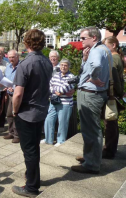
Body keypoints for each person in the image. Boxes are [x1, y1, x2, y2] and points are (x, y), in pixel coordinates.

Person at [11, 29, 52, 197]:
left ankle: (31, 188)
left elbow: (18, 93)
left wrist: (14, 111)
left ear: (26, 43)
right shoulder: (47, 61)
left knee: (29, 151)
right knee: (34, 148)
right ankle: (33, 178)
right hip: (41, 110)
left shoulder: (25, 64)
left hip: (27, 113)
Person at [71, 27, 112, 174]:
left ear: (93, 38)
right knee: (91, 128)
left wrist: (94, 78)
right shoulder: (102, 49)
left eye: (83, 38)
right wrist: (84, 60)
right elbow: (89, 68)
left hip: (90, 94)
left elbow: (96, 66)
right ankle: (90, 157)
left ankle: (91, 164)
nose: (80, 40)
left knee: (91, 130)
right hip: (94, 93)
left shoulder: (96, 50)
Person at [41, 59, 75, 147]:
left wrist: (57, 90)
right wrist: (57, 91)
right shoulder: (56, 75)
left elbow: (64, 89)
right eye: (62, 65)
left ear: (68, 67)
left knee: (63, 122)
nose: (63, 67)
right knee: (49, 120)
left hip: (65, 103)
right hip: (54, 101)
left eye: (65, 65)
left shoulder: (71, 77)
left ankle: (61, 140)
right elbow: (50, 85)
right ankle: (48, 139)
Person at [102, 36, 125, 159]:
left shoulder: (113, 58)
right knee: (112, 122)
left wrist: (119, 93)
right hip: (115, 94)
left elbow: (115, 79)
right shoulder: (117, 57)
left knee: (110, 122)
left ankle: (109, 150)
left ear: (114, 45)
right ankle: (110, 149)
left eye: (106, 45)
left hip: (111, 94)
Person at [3, 50, 20, 144]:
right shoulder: (8, 67)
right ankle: (11, 132)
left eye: (13, 57)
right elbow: (6, 79)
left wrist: (14, 89)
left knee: (16, 115)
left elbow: (23, 81)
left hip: (17, 95)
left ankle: (17, 135)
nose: (11, 59)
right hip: (9, 95)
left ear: (17, 57)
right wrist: (6, 87)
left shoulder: (21, 67)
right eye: (9, 57)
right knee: (9, 114)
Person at [0, 48, 9, 131]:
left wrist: (6, 87)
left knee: (2, 108)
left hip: (3, 90)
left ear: (3, 55)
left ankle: (0, 125)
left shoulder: (6, 64)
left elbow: (8, 78)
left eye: (0, 54)